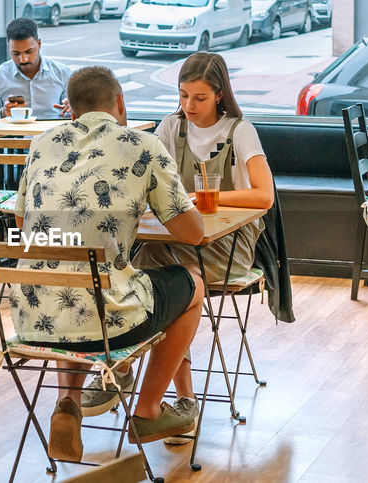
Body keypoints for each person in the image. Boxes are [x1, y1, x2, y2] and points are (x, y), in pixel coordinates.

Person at [10, 66, 206, 461]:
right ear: (120, 103)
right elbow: (192, 233)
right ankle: (149, 409)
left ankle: (68, 403)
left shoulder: (41, 144)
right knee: (194, 285)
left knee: (72, 283)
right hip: (108, 322)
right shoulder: (143, 144)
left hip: (29, 320)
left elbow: (21, 223)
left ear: (71, 110)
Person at [81, 52, 276, 444]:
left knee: (150, 270)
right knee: (157, 273)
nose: (189, 106)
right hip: (180, 241)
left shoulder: (240, 131)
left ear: (220, 95)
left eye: (199, 98)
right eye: (183, 95)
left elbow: (264, 196)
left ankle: (123, 368)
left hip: (229, 246)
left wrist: (211, 197)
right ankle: (178, 400)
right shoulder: (171, 126)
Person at [0, 17, 72, 122]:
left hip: (53, 137)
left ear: (39, 44)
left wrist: (74, 111)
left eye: (29, 51)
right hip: (12, 137)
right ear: (8, 47)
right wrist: (3, 113)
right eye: (16, 53)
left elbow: (75, 120)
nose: (23, 59)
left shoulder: (63, 73)